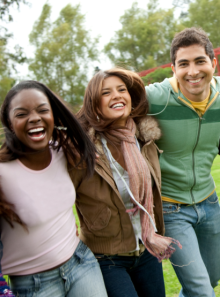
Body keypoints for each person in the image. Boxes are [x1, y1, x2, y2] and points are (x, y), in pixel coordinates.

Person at [69, 68, 181, 297]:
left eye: (122, 90)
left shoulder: (144, 140)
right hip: (106, 257)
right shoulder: (82, 151)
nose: (117, 95)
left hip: (146, 249)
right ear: (95, 104)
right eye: (106, 93)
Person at [0, 80, 108, 297]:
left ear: (53, 116)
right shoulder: (3, 172)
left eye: (42, 110)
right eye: (21, 114)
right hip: (33, 284)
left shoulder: (62, 151)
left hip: (81, 264)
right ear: (10, 123)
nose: (34, 118)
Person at [145, 27, 220, 297]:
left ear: (212, 63)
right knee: (201, 291)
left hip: (210, 202)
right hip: (171, 209)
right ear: (174, 68)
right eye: (183, 64)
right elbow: (109, 101)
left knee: (209, 281)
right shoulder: (157, 98)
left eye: (199, 61)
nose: (193, 71)